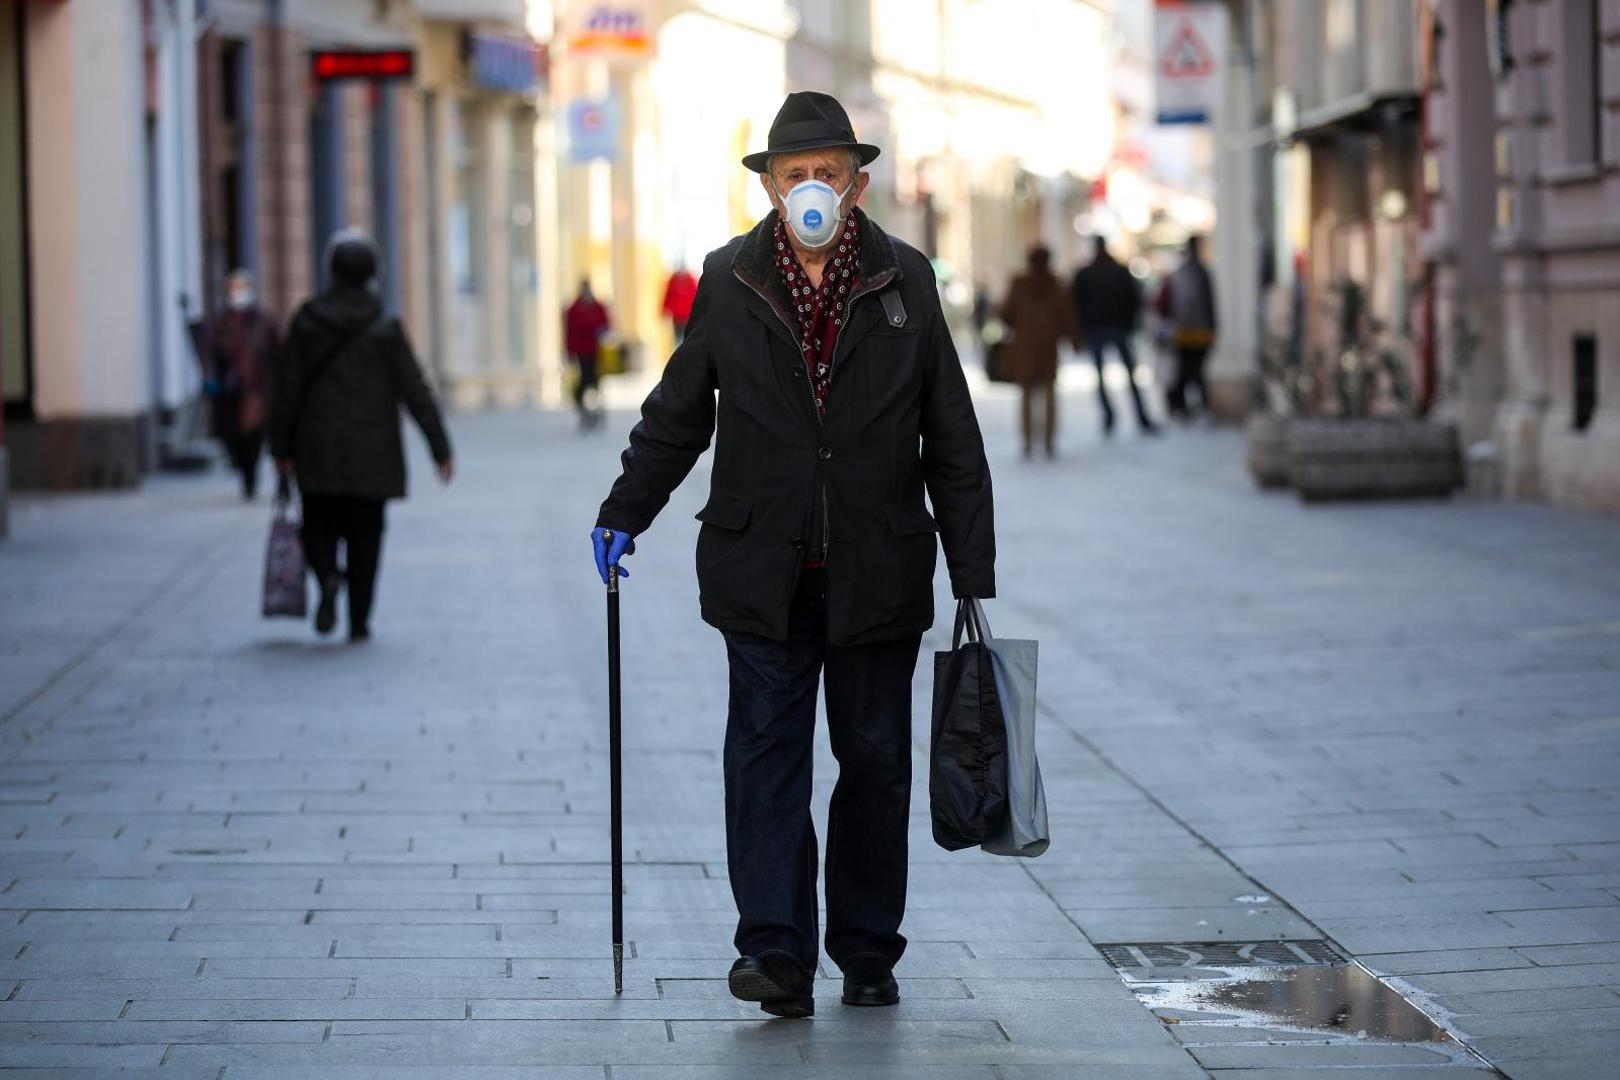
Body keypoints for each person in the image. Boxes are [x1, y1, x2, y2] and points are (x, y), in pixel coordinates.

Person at [590, 91, 995, 1020]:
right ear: (770, 186)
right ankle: (774, 949)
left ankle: (863, 948)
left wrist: (973, 570)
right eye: (794, 174)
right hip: (761, 571)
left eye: (828, 173)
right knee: (764, 758)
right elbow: (679, 413)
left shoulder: (906, 280)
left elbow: (953, 434)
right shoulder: (730, 279)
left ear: (855, 183)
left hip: (877, 569)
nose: (811, 187)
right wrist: (625, 510)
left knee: (874, 762)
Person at [270, 229, 453, 643]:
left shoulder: (307, 320)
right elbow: (415, 389)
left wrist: (280, 447)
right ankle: (359, 620)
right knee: (366, 536)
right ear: (373, 273)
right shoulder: (385, 326)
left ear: (330, 270)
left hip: (316, 450)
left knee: (317, 523)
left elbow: (287, 388)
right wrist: (439, 448)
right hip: (374, 453)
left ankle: (329, 576)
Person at [1071, 237, 1158, 436]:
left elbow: (1076, 303)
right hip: (1114, 328)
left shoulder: (1087, 273)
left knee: (1103, 377)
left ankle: (1112, 417)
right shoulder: (1116, 271)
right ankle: (1138, 416)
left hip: (1101, 329)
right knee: (1126, 375)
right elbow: (1134, 298)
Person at [205, 270, 279, 498]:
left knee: (252, 434)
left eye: (242, 288)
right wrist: (211, 377)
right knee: (231, 434)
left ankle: (250, 474)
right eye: (235, 289)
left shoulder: (265, 321)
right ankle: (241, 466)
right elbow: (209, 353)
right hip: (228, 389)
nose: (239, 294)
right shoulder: (220, 322)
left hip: (256, 389)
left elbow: (277, 353)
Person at [1000, 245, 1078, 458]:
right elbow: (1066, 315)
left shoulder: (1019, 284)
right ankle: (1048, 440)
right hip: (1048, 347)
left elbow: (1006, 313)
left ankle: (1027, 441)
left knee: (1026, 395)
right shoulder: (1055, 285)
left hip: (1024, 346)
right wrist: (1073, 338)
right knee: (1049, 393)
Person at [1163, 235, 1218, 419]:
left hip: (1185, 330)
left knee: (1187, 369)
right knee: (1193, 370)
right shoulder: (1200, 272)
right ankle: (1193, 406)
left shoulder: (1179, 273)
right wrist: (1213, 328)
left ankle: (1185, 406)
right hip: (1196, 331)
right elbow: (1209, 304)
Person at [565, 281, 611, 430]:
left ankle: (596, 412)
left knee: (596, 383)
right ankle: (586, 413)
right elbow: (569, 331)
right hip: (580, 352)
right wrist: (569, 351)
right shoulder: (574, 309)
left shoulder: (597, 307)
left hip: (596, 352)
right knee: (583, 383)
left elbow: (606, 326)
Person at [661, 265, 699, 345]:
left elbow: (696, 298)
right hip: (677, 318)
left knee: (687, 338)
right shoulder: (673, 281)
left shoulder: (691, 281)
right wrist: (664, 309)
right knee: (678, 338)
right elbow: (668, 296)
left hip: (688, 317)